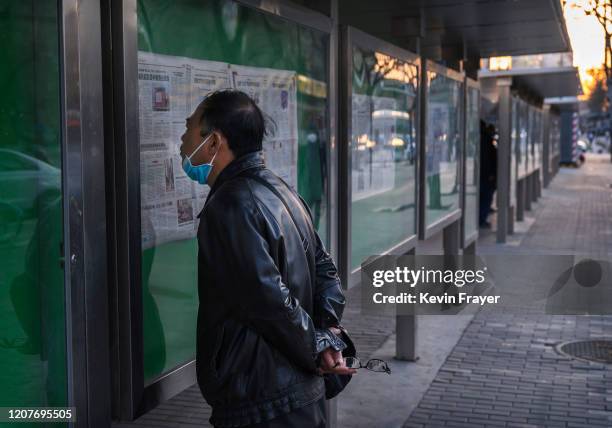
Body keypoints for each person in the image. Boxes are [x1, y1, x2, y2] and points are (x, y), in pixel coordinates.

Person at [179, 89, 356, 428]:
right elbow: (327, 272)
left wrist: (320, 344)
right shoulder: (282, 190)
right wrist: (328, 334)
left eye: (188, 128)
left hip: (262, 400)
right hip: (295, 391)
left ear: (214, 142)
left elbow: (268, 301)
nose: (182, 139)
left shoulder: (229, 205)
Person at [479, 121, 497, 228]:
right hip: (487, 175)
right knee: (486, 197)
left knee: (482, 197)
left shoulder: (478, 140)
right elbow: (492, 159)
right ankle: (481, 219)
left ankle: (480, 218)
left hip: (481, 175)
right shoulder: (488, 141)